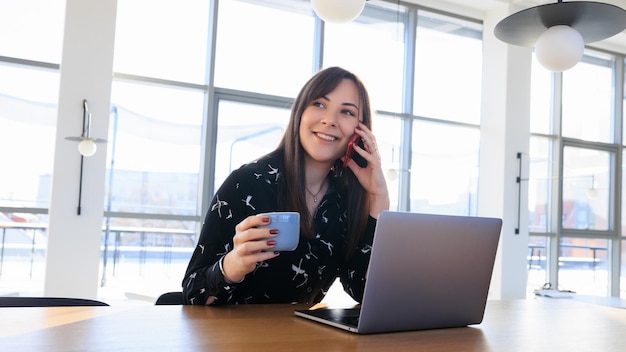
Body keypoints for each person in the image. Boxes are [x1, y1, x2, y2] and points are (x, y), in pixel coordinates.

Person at [182, 66, 389, 305]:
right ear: (300, 112)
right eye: (319, 104)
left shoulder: (343, 200)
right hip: (233, 338)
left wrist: (379, 197)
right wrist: (232, 265)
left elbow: (361, 290)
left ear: (359, 131)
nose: (329, 120)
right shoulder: (246, 183)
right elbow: (192, 291)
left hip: (300, 338)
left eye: (347, 112)